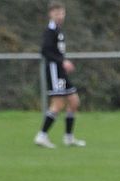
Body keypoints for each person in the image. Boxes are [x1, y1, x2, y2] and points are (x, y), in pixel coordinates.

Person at [34, 1, 86, 149]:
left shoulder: (58, 30)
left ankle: (69, 138)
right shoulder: (50, 30)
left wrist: (63, 63)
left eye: (62, 13)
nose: (60, 16)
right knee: (58, 104)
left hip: (61, 71)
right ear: (50, 14)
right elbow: (45, 51)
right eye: (57, 13)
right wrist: (62, 61)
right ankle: (41, 136)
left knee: (74, 102)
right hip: (54, 71)